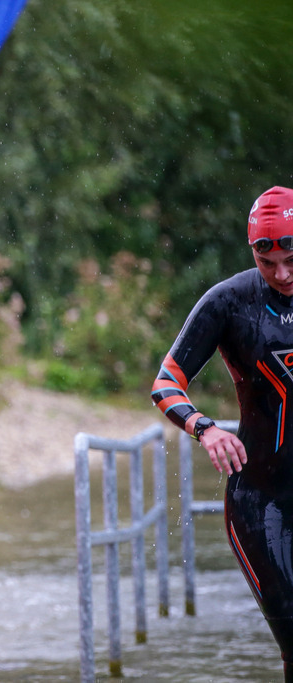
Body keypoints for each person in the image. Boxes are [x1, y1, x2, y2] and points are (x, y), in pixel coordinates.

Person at [151, 185, 293, 680]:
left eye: (291, 257)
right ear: (252, 248)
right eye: (266, 259)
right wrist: (205, 428)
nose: (281, 273)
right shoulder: (229, 302)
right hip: (262, 503)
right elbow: (166, 383)